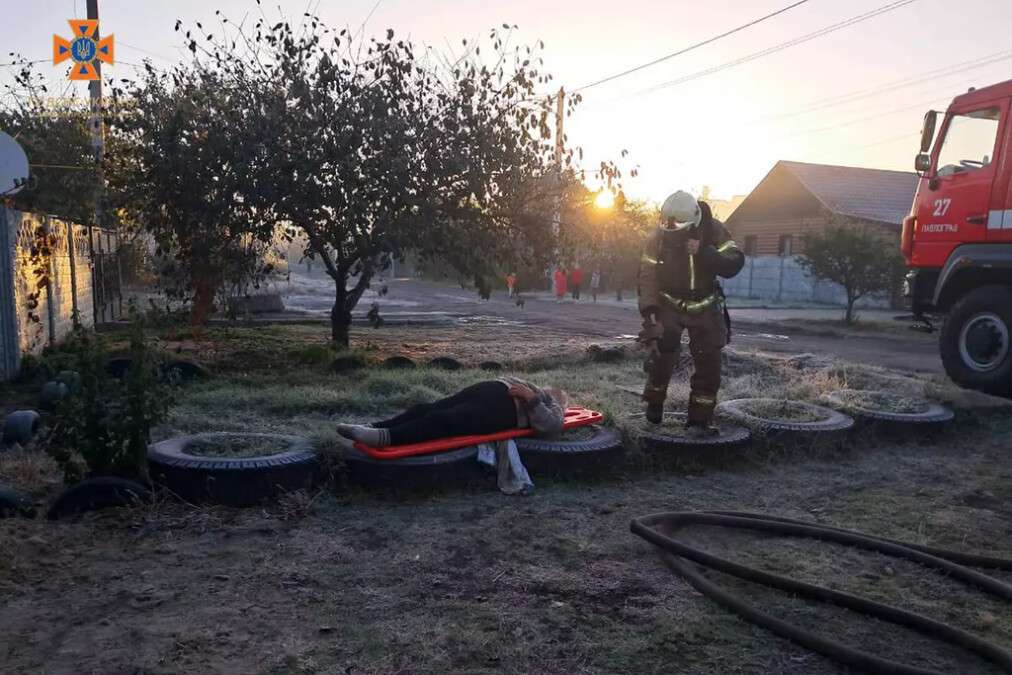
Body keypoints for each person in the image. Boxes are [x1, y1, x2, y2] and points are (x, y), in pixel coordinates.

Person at [638, 190, 745, 435]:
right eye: (667, 227)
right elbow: (647, 277)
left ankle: (699, 421)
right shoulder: (657, 238)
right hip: (669, 304)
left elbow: (734, 261)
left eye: (678, 229)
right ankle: (654, 406)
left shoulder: (714, 230)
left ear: (694, 221)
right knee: (661, 356)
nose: (671, 234)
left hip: (706, 306)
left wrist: (706, 253)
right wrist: (650, 314)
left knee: (709, 364)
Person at [337, 377, 568, 447]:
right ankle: (376, 427)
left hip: (505, 410)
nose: (553, 389)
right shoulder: (537, 387)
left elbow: (551, 427)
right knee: (427, 408)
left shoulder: (553, 404)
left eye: (558, 393)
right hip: (491, 389)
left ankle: (384, 438)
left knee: (445, 419)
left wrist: (532, 397)